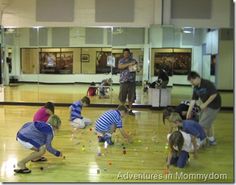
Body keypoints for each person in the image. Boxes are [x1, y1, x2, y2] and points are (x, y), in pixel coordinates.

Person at [186, 71, 221, 146]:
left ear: (197, 78)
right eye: (190, 82)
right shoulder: (195, 87)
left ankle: (199, 143)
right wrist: (188, 112)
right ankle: (212, 140)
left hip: (214, 106)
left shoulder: (207, 83)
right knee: (207, 123)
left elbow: (214, 94)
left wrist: (205, 104)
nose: (192, 83)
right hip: (206, 106)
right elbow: (193, 100)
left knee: (202, 125)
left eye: (192, 81)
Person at [118, 48, 137, 116]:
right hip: (123, 82)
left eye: (127, 53)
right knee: (122, 97)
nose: (126, 54)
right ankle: (122, 110)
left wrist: (135, 66)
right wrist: (129, 64)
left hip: (131, 82)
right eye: (125, 53)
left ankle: (130, 110)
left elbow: (135, 69)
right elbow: (120, 67)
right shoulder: (121, 60)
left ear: (129, 54)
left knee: (131, 97)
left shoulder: (133, 60)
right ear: (123, 54)